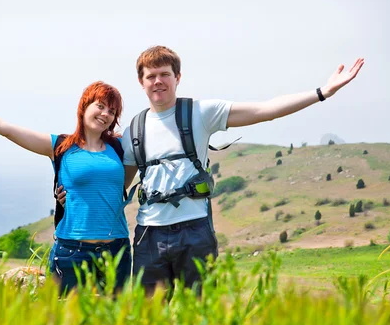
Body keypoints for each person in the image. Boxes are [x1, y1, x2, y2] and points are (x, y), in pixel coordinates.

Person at [121, 45, 364, 294]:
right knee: (147, 319)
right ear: (141, 81)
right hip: (148, 235)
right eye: (151, 76)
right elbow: (118, 186)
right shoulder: (134, 130)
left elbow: (265, 110)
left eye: (164, 74)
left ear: (177, 78)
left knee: (199, 315)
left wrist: (323, 92)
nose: (158, 81)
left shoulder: (200, 113)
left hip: (194, 231)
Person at [0, 78, 131, 294]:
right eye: (100, 105)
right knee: (69, 323)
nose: (106, 114)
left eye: (112, 111)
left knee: (115, 322)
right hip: (73, 252)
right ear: (84, 106)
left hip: (116, 250)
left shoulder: (118, 147)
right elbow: (6, 129)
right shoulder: (60, 146)